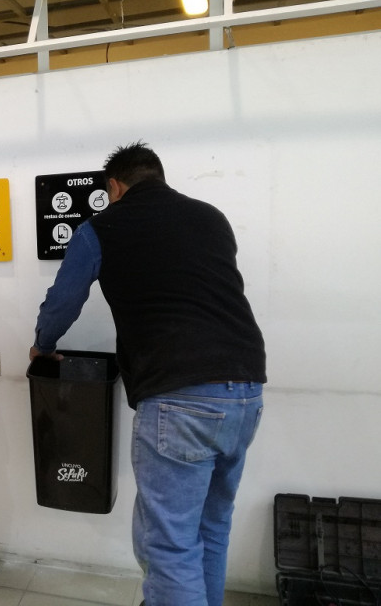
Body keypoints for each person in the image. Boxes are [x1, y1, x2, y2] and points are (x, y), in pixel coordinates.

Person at [31, 142, 265, 606]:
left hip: (179, 397)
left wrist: (44, 345)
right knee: (210, 528)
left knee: (169, 545)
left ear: (115, 186)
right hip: (246, 390)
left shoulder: (102, 227)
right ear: (158, 176)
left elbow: (63, 301)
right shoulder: (211, 217)